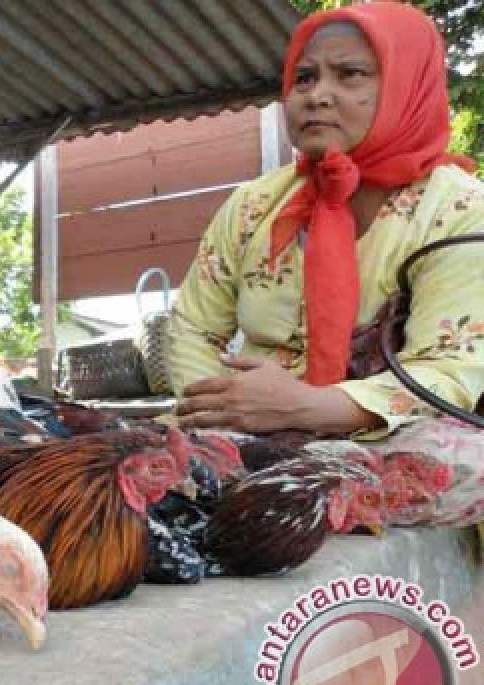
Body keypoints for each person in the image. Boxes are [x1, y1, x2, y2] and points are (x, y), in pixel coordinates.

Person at [169, 2, 483, 438]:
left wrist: (312, 409)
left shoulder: (459, 209)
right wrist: (219, 420)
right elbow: (192, 327)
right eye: (304, 77)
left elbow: (450, 372)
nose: (316, 94)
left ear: (406, 86)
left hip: (393, 441)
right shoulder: (254, 205)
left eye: (349, 73)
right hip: (240, 437)